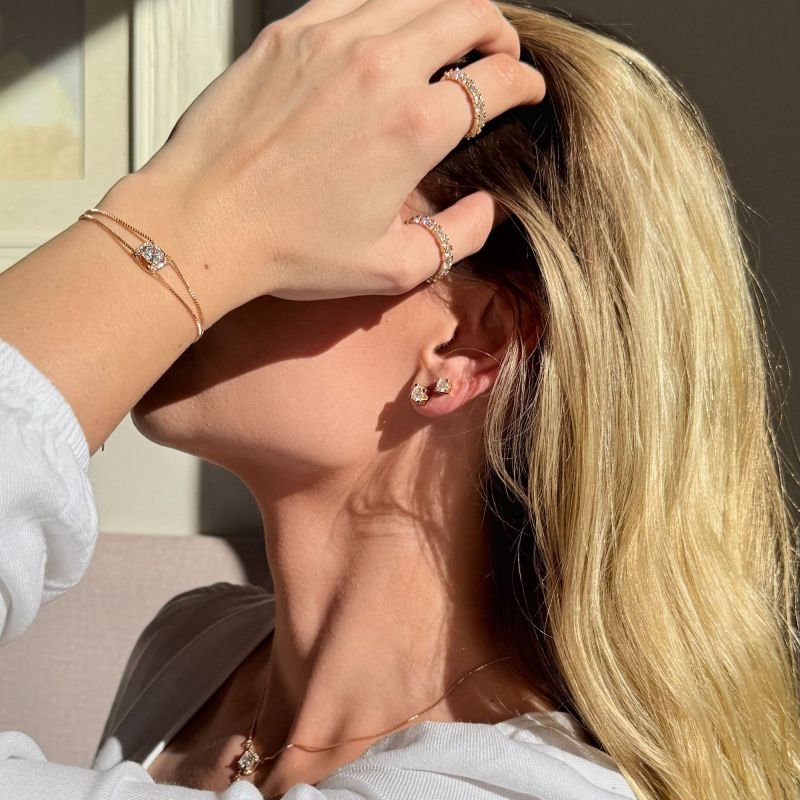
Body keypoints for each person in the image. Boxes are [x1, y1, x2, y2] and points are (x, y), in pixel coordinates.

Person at [0, 1, 798, 798]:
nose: (217, 226)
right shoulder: (198, 654)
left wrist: (160, 243)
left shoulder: (514, 789)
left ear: (467, 345)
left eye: (291, 193)